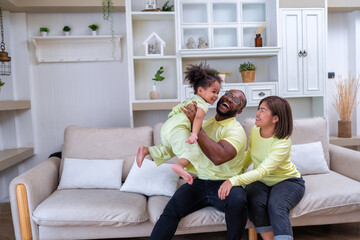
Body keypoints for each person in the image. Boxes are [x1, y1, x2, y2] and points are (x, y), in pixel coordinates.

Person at [149, 89, 248, 240]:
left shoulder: (236, 131)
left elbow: (218, 157)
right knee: (171, 210)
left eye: (235, 100)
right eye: (228, 94)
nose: (229, 99)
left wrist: (197, 127)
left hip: (227, 183)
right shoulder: (205, 123)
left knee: (238, 200)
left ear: (239, 111)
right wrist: (181, 117)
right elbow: (180, 142)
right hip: (200, 181)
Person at [218, 96, 305, 240]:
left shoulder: (283, 143)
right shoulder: (254, 131)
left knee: (276, 206)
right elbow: (250, 155)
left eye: (263, 110)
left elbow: (262, 171)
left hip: (287, 181)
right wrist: (235, 174)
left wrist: (233, 181)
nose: (257, 113)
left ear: (275, 118)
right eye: (259, 109)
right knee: (255, 202)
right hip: (262, 182)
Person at [136, 63, 221, 184]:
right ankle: (179, 166)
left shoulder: (190, 100)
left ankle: (146, 150)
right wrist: (194, 134)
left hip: (167, 128)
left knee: (169, 150)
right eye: (213, 91)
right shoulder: (201, 104)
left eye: (218, 93)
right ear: (200, 90)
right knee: (192, 150)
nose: (216, 96)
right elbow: (198, 119)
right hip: (178, 129)